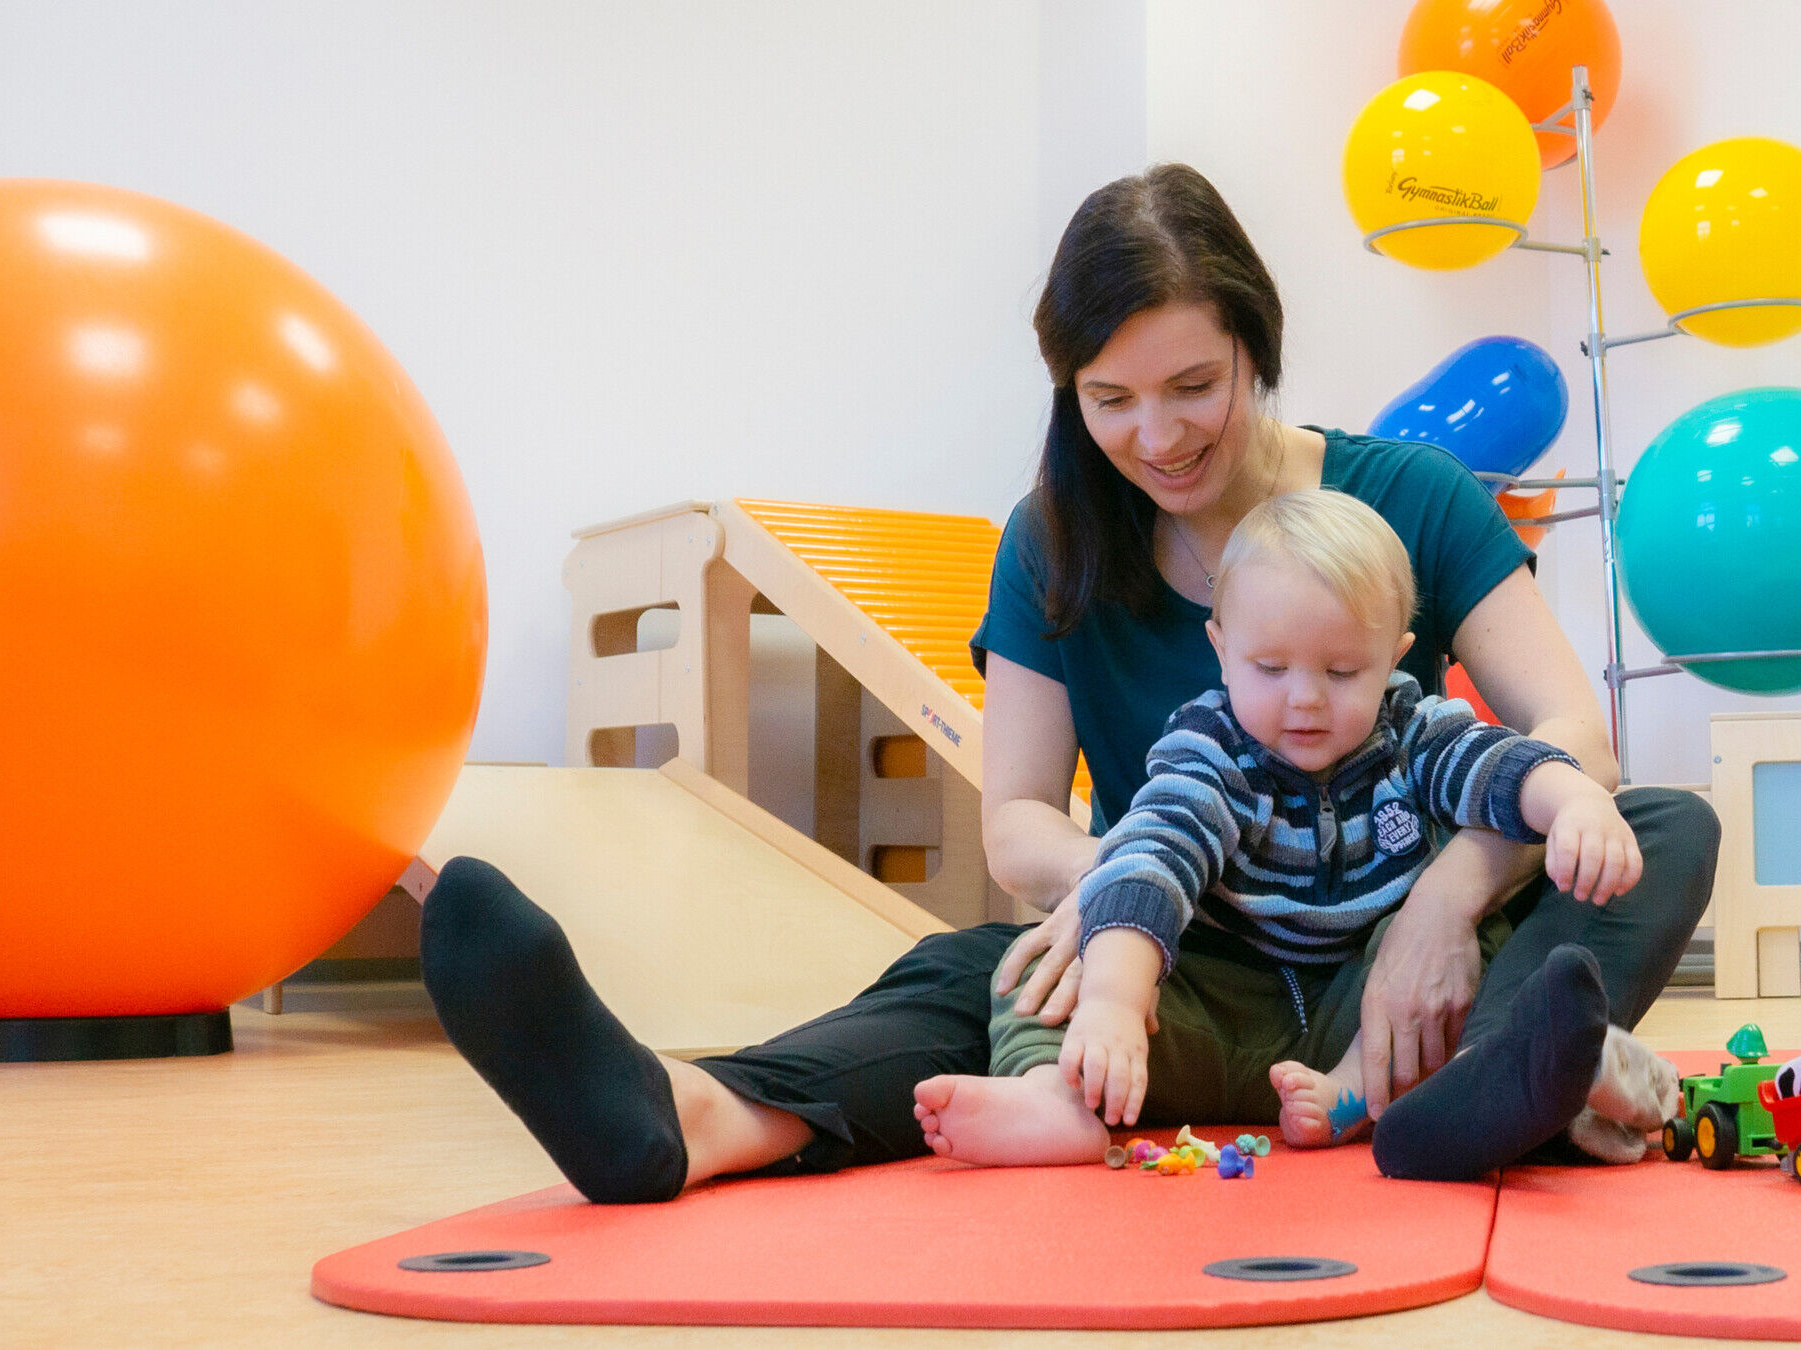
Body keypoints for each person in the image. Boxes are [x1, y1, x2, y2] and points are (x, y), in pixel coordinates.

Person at [419, 163, 1714, 1202]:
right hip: (1188, 961)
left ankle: (1476, 1076)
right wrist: (1123, 916)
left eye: (1195, 386)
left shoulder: (1403, 500)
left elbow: (1569, 731)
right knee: (986, 967)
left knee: (1656, 826)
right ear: (1070, 392)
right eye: (1112, 399)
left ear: (1258, 350)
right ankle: (695, 1115)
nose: (1158, 437)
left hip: (1396, 941)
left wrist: (1443, 899)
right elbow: (1020, 820)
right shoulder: (1055, 537)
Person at [913, 488, 1643, 1169]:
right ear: (1221, 649)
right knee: (1049, 974)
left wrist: (1574, 802)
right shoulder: (1212, 751)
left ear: (1393, 660)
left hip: (1367, 1007)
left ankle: (1357, 1091)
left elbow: (1503, 767)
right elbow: (1154, 858)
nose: (1305, 700)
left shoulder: (1411, 734)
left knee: (1469, 931)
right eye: (1270, 667)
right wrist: (1113, 1007)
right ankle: (1060, 1097)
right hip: (1225, 1014)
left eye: (1342, 671)